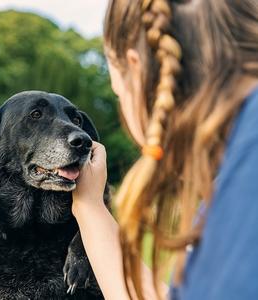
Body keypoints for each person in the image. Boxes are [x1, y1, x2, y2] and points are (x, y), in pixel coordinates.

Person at [72, 0, 258, 299]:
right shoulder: (238, 164)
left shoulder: (245, 184)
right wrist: (90, 206)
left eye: (118, 92)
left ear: (135, 67)